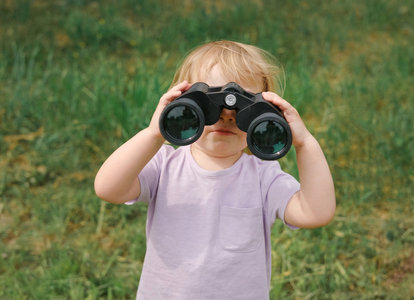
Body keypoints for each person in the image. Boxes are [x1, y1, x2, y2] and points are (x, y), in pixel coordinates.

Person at [94, 40, 335, 299]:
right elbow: (109, 188)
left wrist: (305, 143)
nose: (227, 114)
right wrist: (155, 133)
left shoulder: (264, 177)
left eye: (245, 106)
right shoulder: (164, 165)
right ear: (182, 100)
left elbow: (315, 213)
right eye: (208, 102)